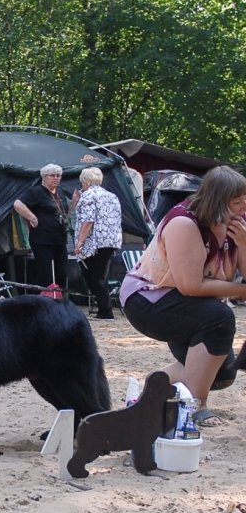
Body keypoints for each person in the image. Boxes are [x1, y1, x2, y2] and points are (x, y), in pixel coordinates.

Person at [120, 165, 246, 428]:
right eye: (237, 201)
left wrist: (244, 244)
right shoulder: (184, 223)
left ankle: (155, 384)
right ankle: (197, 406)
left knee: (223, 375)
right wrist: (242, 290)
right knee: (220, 318)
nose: (243, 206)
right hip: (148, 299)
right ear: (218, 202)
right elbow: (191, 286)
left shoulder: (237, 225)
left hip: (188, 301)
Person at [13, 163, 73, 290]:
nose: (56, 178)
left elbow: (64, 213)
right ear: (44, 177)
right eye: (53, 175)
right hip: (42, 239)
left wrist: (74, 204)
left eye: (59, 176)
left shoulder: (60, 192)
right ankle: (43, 301)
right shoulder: (36, 192)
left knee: (62, 272)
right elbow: (18, 204)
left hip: (60, 239)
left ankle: (60, 300)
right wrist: (32, 218)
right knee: (44, 273)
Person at [73, 167, 122, 319]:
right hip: (111, 241)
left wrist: (80, 242)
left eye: (82, 181)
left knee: (94, 277)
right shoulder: (112, 196)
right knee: (100, 276)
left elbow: (88, 221)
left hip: (95, 242)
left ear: (86, 181)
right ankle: (104, 309)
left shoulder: (88, 196)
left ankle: (105, 311)